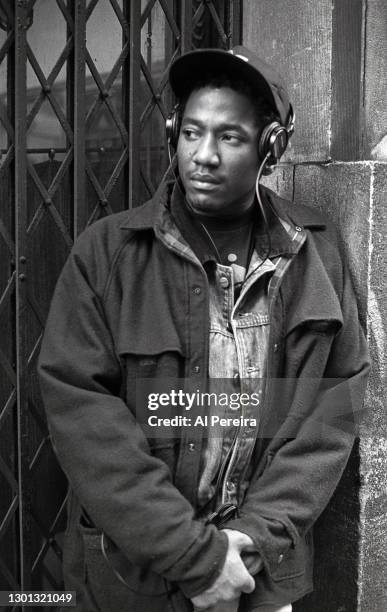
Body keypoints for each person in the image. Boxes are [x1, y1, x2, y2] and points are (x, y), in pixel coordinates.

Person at [38, 46, 369, 612]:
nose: (203, 155)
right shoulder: (108, 254)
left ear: (270, 147)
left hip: (260, 579)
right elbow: (83, 414)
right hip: (132, 581)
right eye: (191, 133)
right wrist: (198, 559)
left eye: (230, 138)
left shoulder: (316, 254)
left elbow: (332, 413)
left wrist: (252, 541)